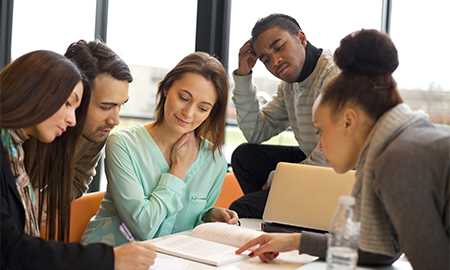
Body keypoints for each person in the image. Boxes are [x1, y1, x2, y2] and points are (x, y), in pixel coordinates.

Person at [236, 29, 450, 270]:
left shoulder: (399, 158)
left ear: (349, 121)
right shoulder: (404, 142)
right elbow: (380, 251)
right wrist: (296, 241)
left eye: (321, 130)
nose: (321, 145)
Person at [0, 50, 155, 269]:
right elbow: (10, 249)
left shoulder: (15, 146)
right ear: (36, 93)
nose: (115, 119)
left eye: (121, 106)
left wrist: (42, 206)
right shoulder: (17, 147)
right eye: (67, 104)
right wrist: (108, 259)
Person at [82, 52, 238, 246]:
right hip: (112, 257)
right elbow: (142, 227)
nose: (188, 113)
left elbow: (188, 223)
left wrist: (208, 217)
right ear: (166, 88)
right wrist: (177, 172)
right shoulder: (122, 144)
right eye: (183, 97)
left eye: (203, 108)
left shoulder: (214, 161)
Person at [230, 13, 338, 218]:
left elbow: (332, 155)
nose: (275, 61)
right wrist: (243, 75)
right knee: (245, 157)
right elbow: (255, 132)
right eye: (265, 59)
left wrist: (284, 179)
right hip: (317, 165)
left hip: (343, 175)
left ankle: (286, 213)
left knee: (242, 209)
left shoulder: (334, 76)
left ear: (302, 38)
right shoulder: (289, 86)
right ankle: (284, 213)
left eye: (279, 47)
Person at [23, 40, 132, 240]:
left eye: (120, 106)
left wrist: (48, 203)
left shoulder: (96, 130)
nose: (115, 120)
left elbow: (79, 177)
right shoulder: (24, 131)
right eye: (106, 106)